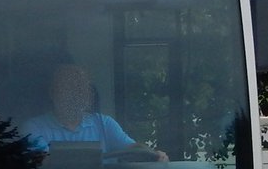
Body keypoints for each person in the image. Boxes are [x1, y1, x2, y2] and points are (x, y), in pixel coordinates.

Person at [22, 64, 168, 160]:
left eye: (81, 89)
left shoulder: (104, 123)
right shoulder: (33, 128)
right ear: (53, 93)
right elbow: (45, 164)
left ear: (88, 94)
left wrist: (154, 155)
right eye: (68, 89)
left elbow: (132, 148)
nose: (75, 95)